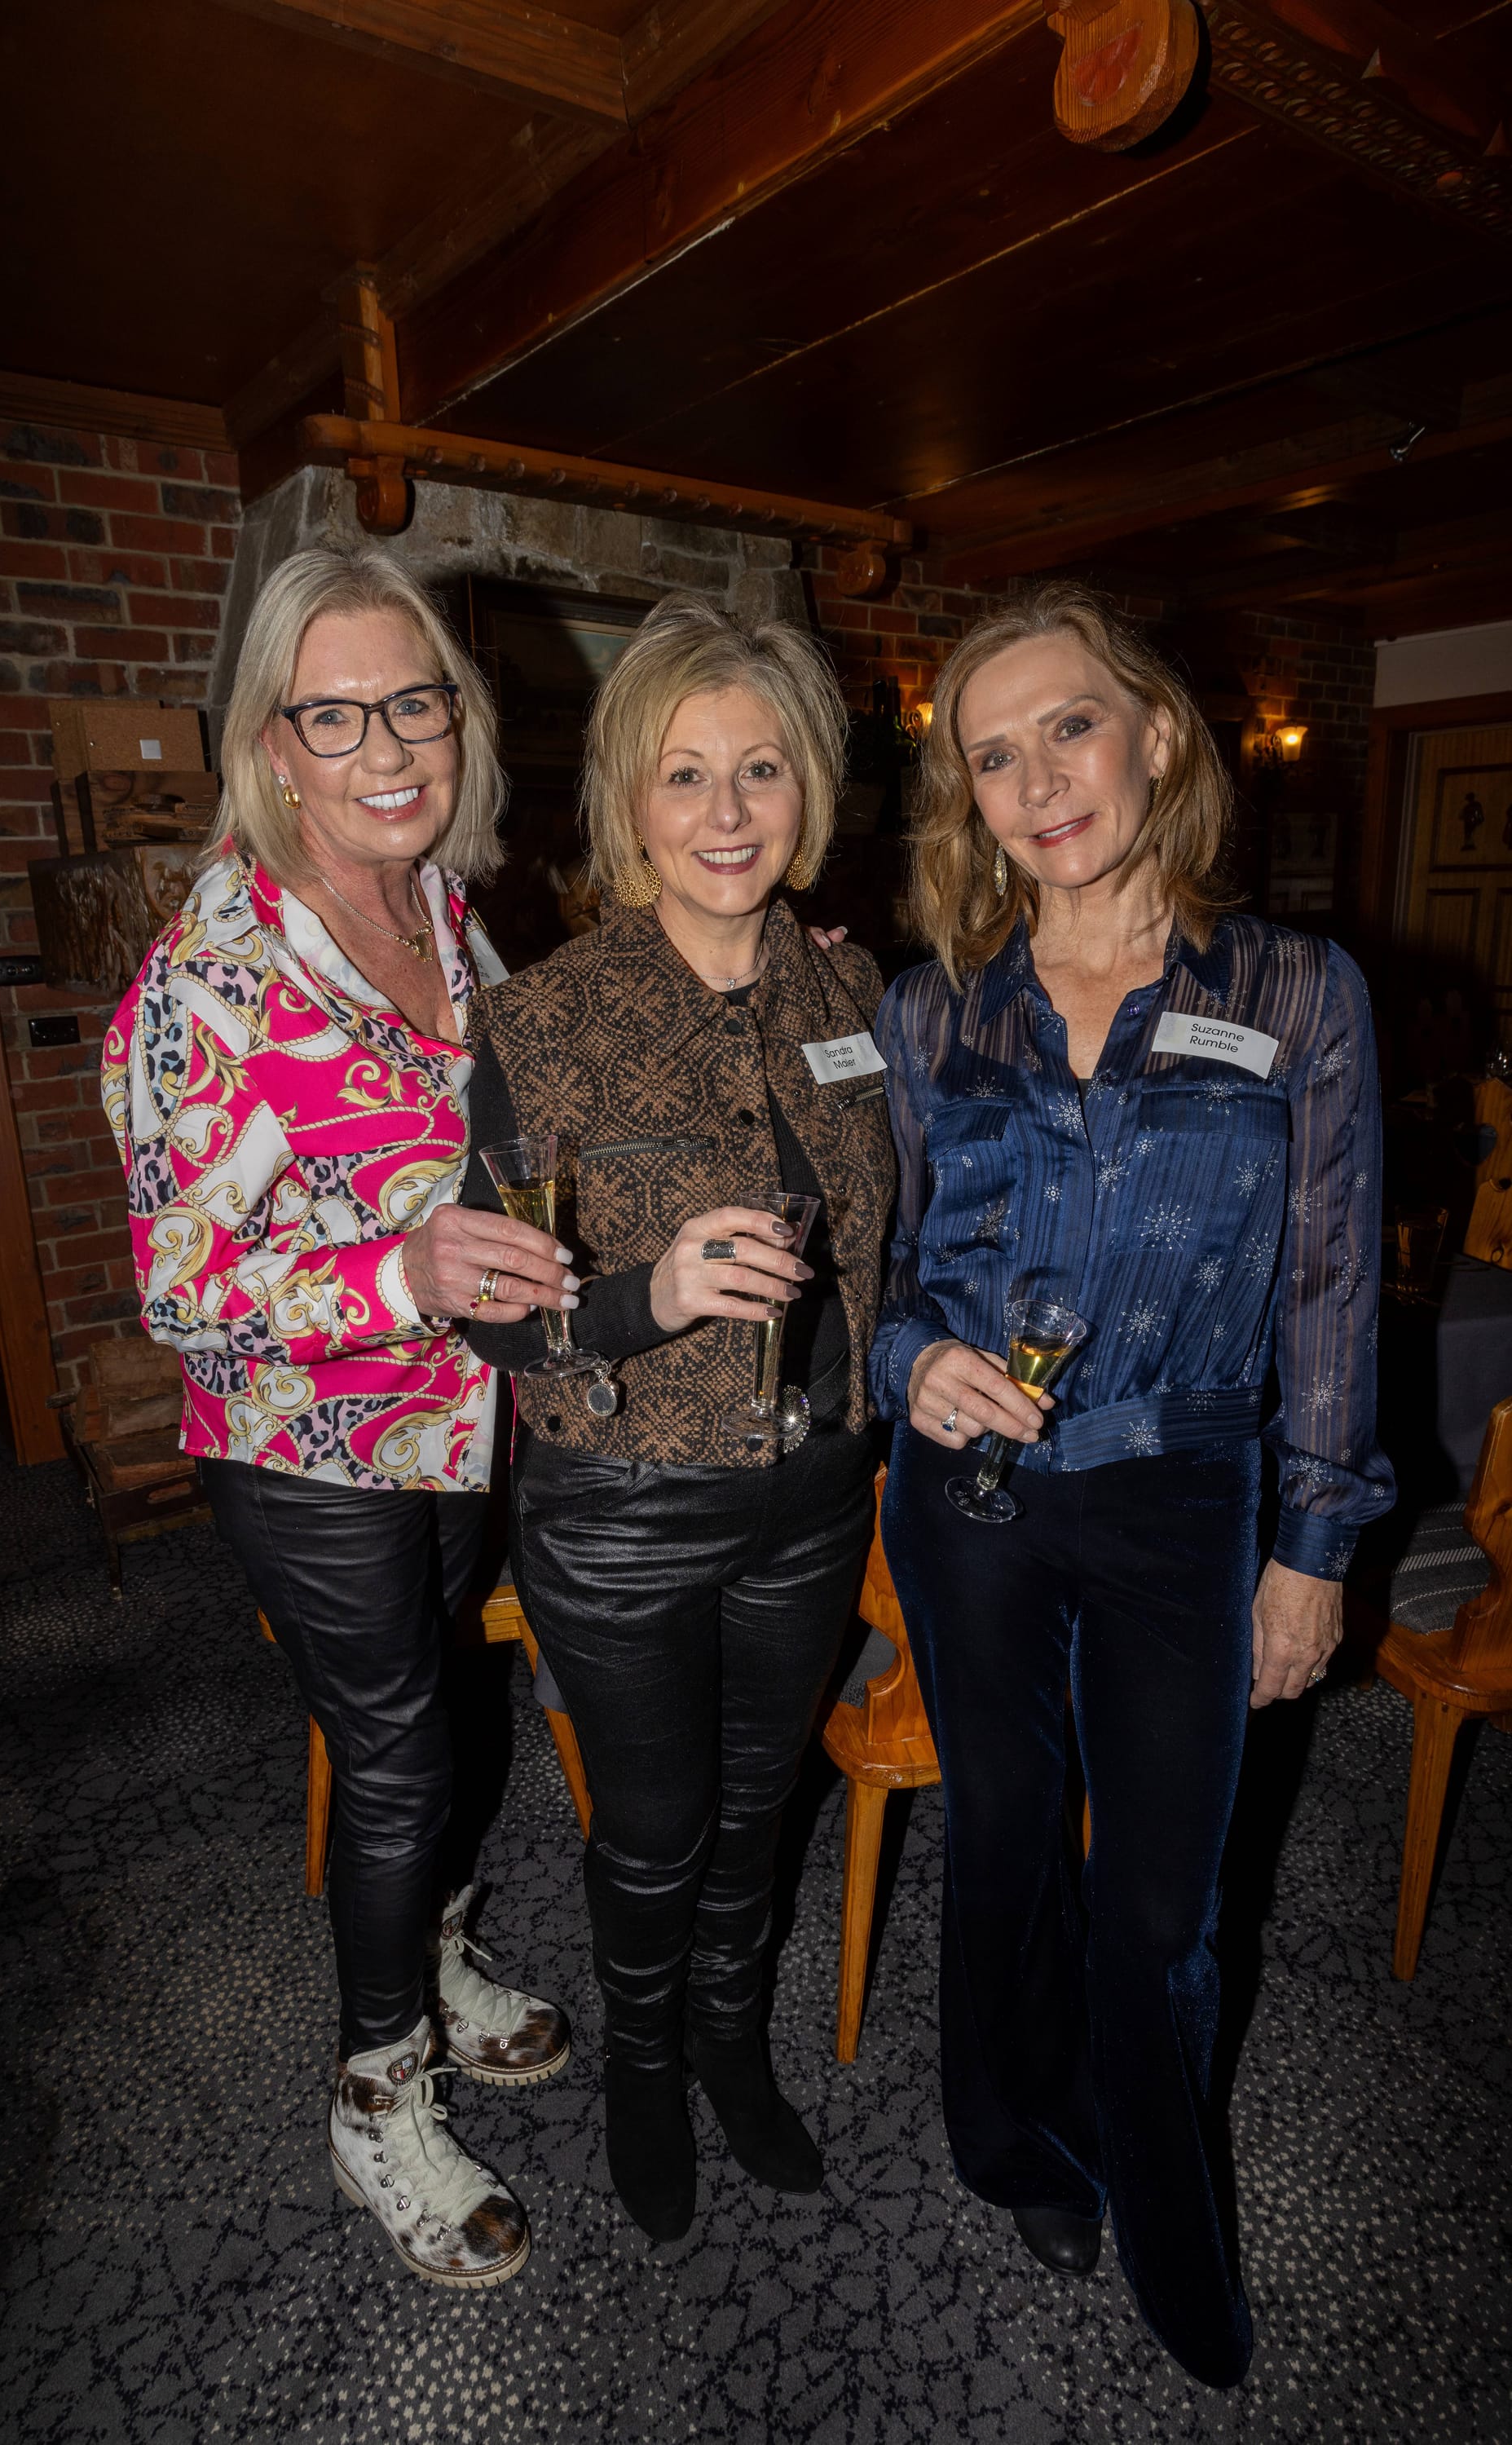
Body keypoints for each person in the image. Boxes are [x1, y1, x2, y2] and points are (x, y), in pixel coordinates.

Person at [870, 582, 1393, 2388]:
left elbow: (1330, 1278)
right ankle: (1010, 2139)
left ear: (1154, 733)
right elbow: (886, 1281)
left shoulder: (1296, 991)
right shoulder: (929, 1013)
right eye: (991, 757)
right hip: (975, 1508)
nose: (1035, 782)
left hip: (1184, 1496)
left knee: (1160, 1911)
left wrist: (1312, 1544)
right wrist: (902, 1364)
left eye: (1065, 727)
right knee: (1004, 1845)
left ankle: (1175, 2239)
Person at [102, 544, 584, 2289]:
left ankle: (437, 1965)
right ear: (271, 741)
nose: (388, 746)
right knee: (393, 1767)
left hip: (459, 1424)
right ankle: (375, 2099)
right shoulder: (204, 980)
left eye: (416, 702)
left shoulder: (438, 902)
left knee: (443, 1713)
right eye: (336, 713)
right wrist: (398, 1273)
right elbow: (180, 1284)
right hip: (307, 1442)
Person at [460, 594, 896, 2242]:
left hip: (814, 1492)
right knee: (653, 1833)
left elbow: (889, 1240)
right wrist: (644, 1293)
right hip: (624, 1509)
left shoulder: (857, 1002)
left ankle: (727, 2044)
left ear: (809, 795)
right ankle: (642, 2071)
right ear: (628, 802)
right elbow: (482, 1303)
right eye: (686, 774)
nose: (725, 814)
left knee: (762, 1803)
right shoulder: (538, 1021)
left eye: (761, 772)